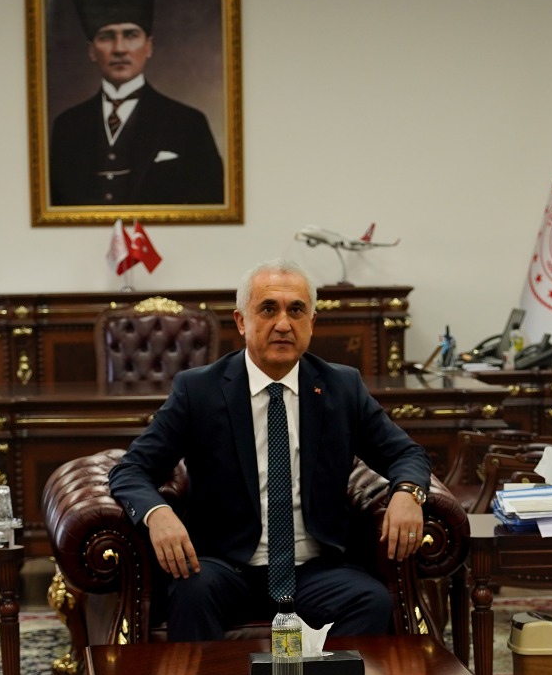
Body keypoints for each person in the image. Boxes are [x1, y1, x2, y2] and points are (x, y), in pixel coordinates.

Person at [108, 259, 432, 642]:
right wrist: (157, 514)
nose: (283, 324)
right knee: (191, 593)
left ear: (311, 322)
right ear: (241, 321)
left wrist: (408, 493)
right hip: (224, 566)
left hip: (314, 569)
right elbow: (131, 470)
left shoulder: (341, 387)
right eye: (268, 309)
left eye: (296, 310)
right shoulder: (199, 391)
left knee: (372, 601)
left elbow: (406, 455)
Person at [48, 0, 225, 207]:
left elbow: (211, 208)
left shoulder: (188, 123)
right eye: (106, 36)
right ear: (91, 51)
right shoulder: (67, 126)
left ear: (148, 47)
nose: (120, 48)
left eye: (131, 35)